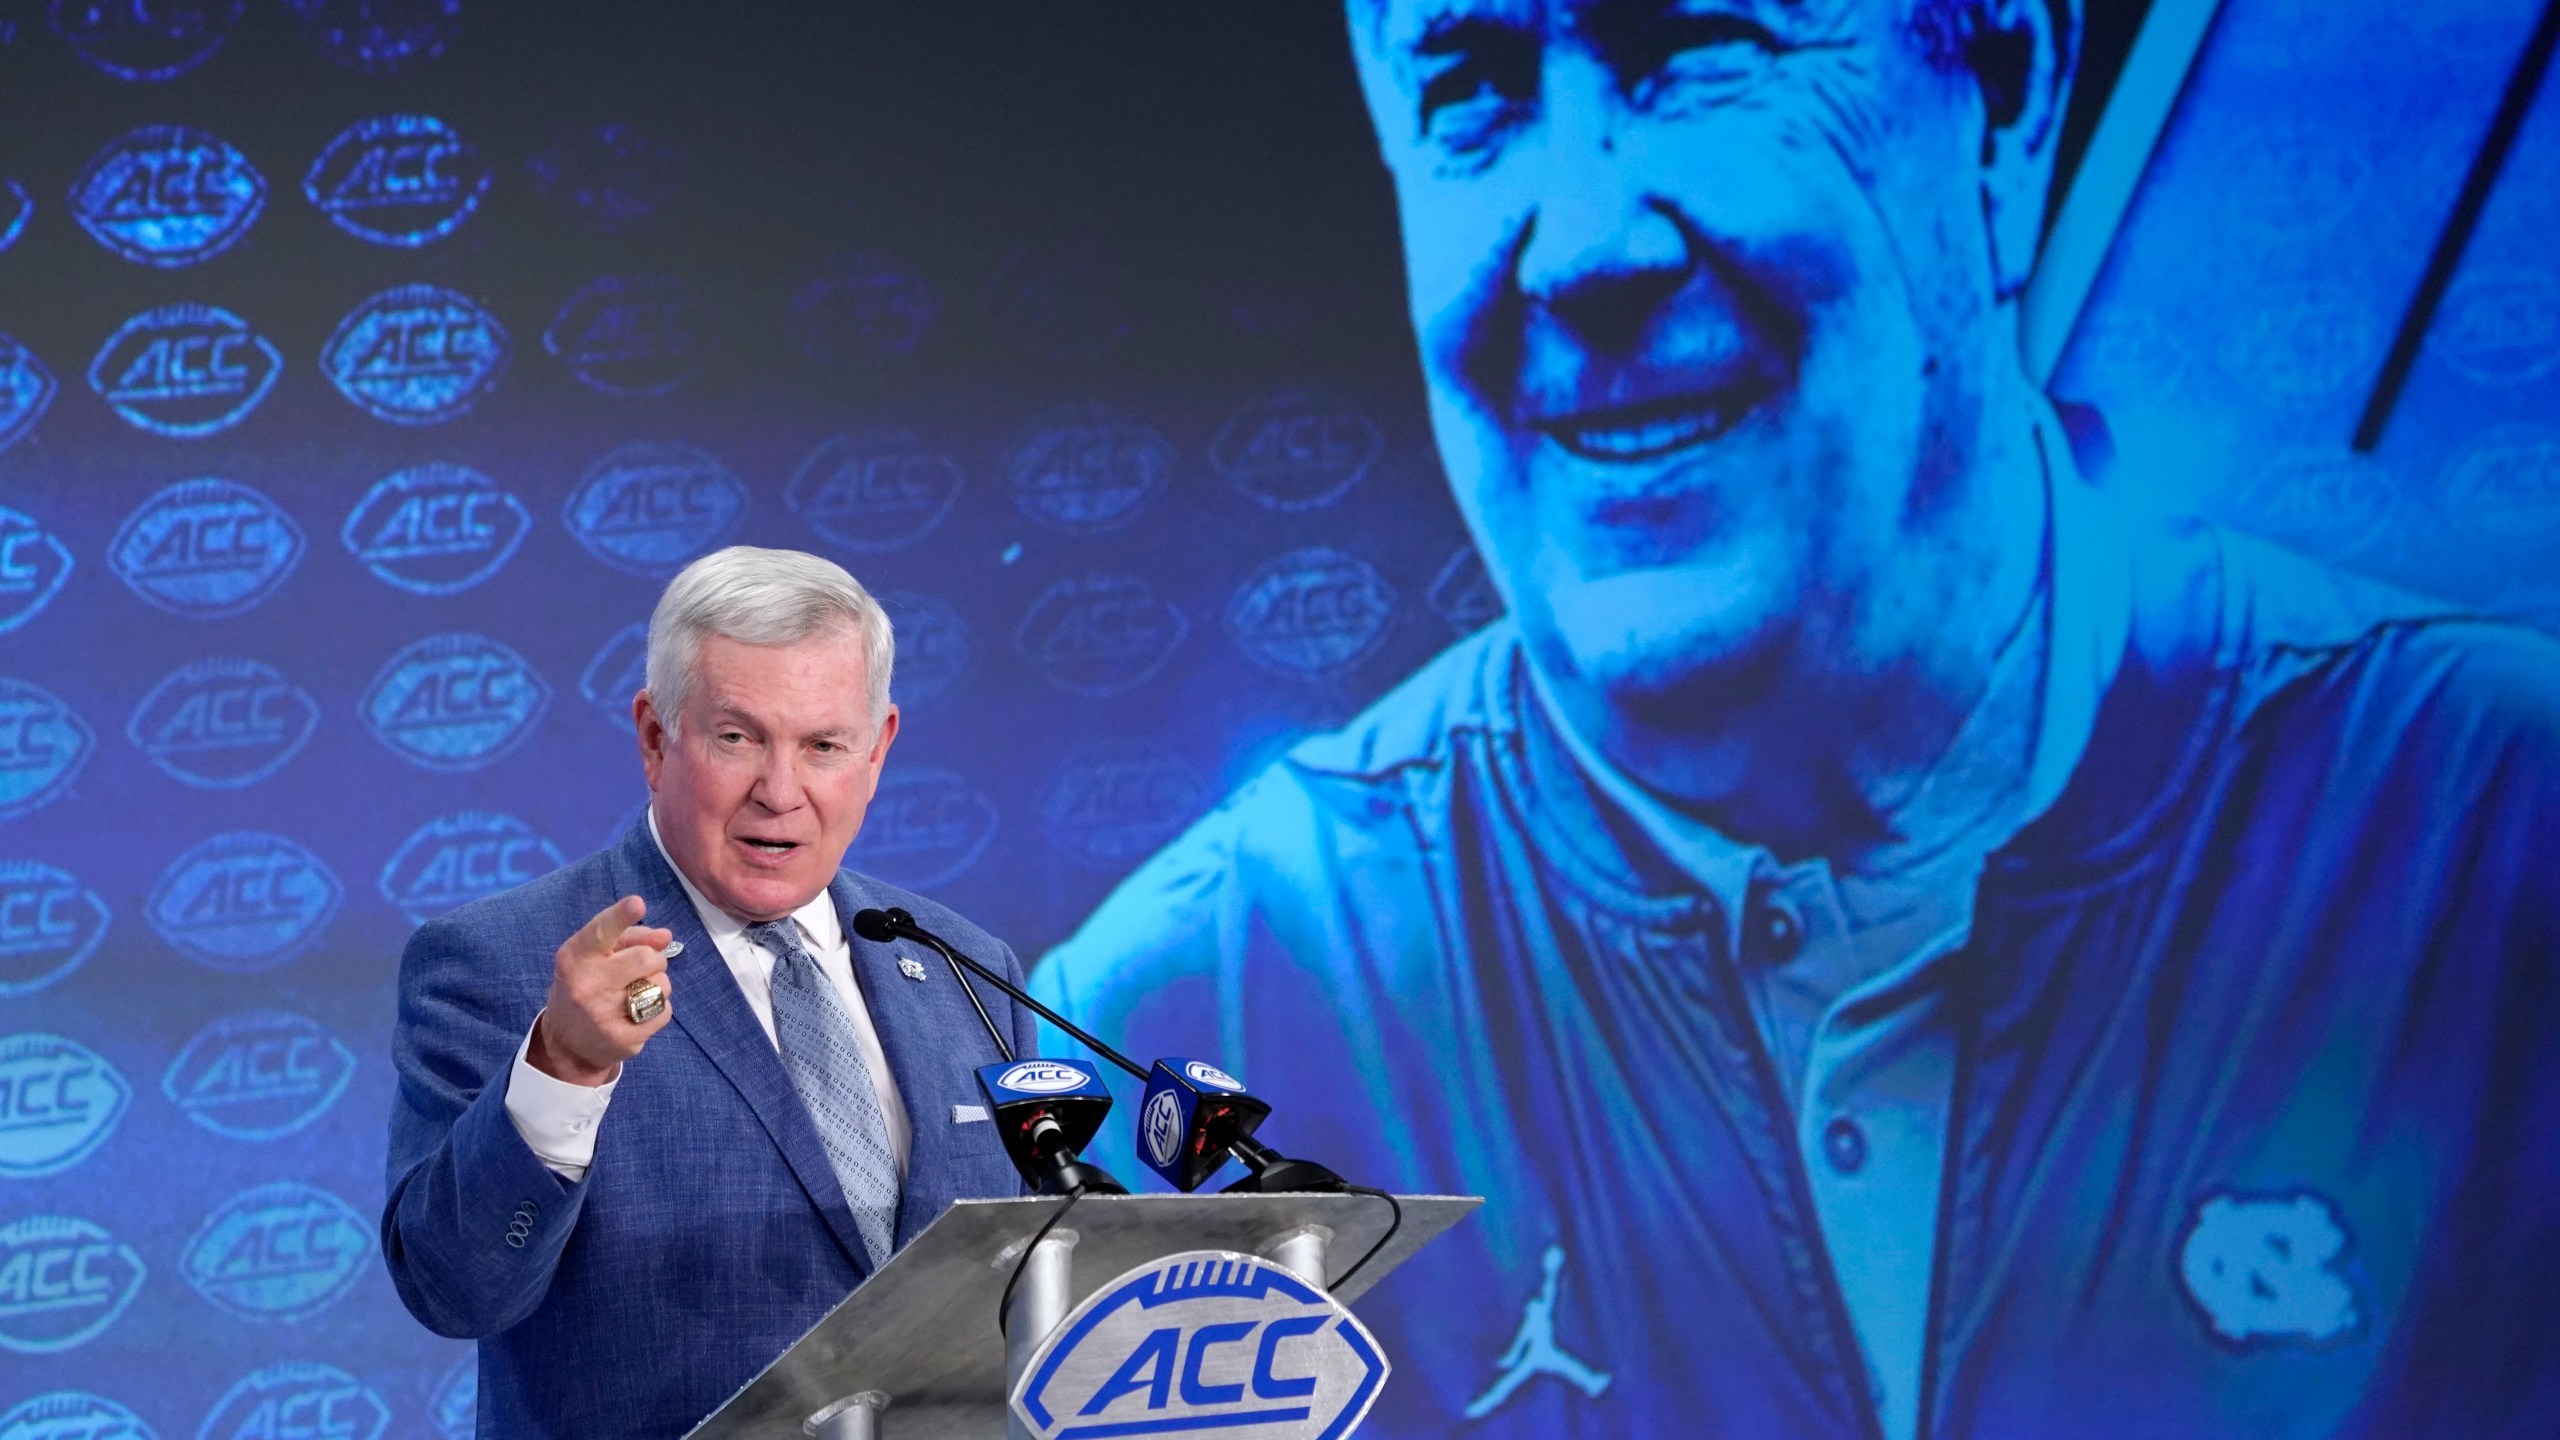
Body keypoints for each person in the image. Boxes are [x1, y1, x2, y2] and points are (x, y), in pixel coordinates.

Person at [1033, 1, 2560, 1436]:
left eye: (1696, 45)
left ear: (2007, 89)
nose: (1580, 244)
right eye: (1470, 90)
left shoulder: (2501, 843)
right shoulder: (1180, 1031)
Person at [383, 547, 1037, 1439]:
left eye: (823, 746)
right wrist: (564, 1070)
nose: (781, 792)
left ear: (878, 748)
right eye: (738, 738)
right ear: (656, 737)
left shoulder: (963, 966)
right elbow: (454, 1288)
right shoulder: (498, 963)